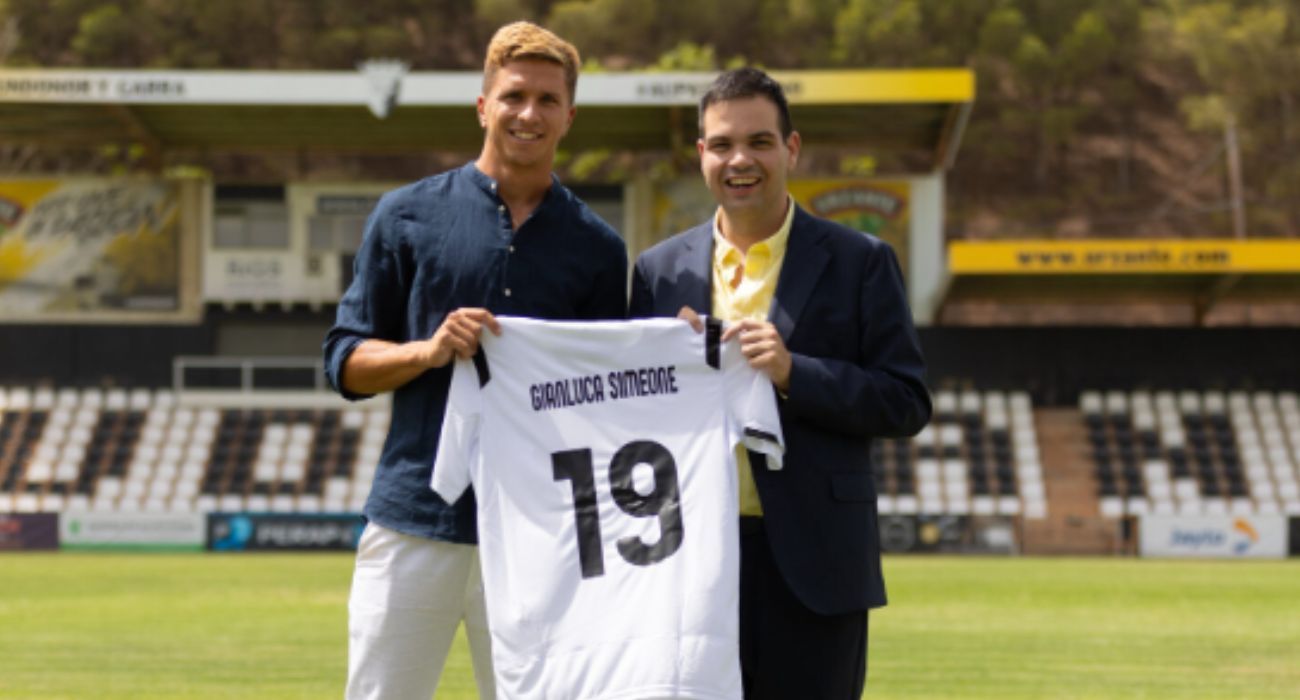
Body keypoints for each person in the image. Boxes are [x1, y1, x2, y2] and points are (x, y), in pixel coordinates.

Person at [322, 21, 627, 700]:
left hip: (539, 535)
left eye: (548, 101)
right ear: (483, 105)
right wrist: (426, 350)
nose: (530, 114)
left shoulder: (599, 249)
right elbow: (343, 360)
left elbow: (612, 397)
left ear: (569, 117)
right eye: (514, 95)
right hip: (413, 522)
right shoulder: (405, 215)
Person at [629, 67, 931, 699]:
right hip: (687, 565)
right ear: (701, 155)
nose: (740, 160)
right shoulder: (657, 274)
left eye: (760, 142)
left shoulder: (861, 261)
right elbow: (628, 414)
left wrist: (795, 372)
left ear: (791, 149)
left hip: (817, 565)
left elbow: (905, 401)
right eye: (722, 144)